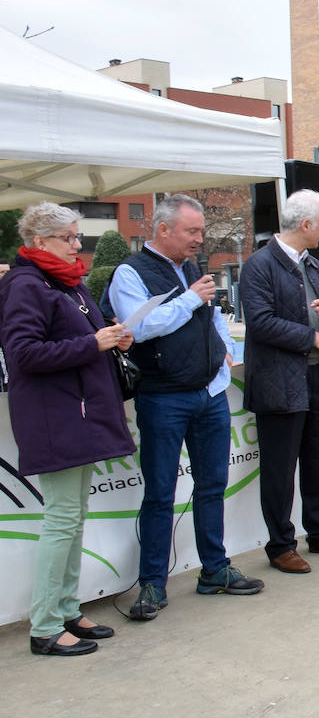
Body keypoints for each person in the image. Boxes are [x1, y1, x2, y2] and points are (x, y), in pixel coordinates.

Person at [109, 194, 263, 618]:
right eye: (192, 231)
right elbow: (138, 329)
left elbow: (211, 315)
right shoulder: (130, 272)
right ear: (163, 230)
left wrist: (224, 349)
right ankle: (152, 584)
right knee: (160, 493)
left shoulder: (191, 269)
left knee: (212, 486)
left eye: (200, 231)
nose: (200, 238)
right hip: (162, 397)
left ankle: (215, 568)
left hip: (208, 394)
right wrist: (192, 298)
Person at [1, 203, 134, 656]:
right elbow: (23, 353)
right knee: (62, 520)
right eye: (69, 238)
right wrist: (90, 343)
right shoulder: (24, 284)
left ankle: (65, 610)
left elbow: (80, 340)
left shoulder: (65, 282)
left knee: (73, 519)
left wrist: (113, 336)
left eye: (78, 237)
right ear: (40, 241)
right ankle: (44, 626)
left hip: (77, 414)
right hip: (54, 417)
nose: (79, 245)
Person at [239, 190, 319, 574]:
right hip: (279, 382)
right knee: (280, 469)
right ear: (305, 225)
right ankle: (281, 545)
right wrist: (311, 338)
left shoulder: (313, 265)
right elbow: (260, 322)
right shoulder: (259, 265)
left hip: (318, 378)